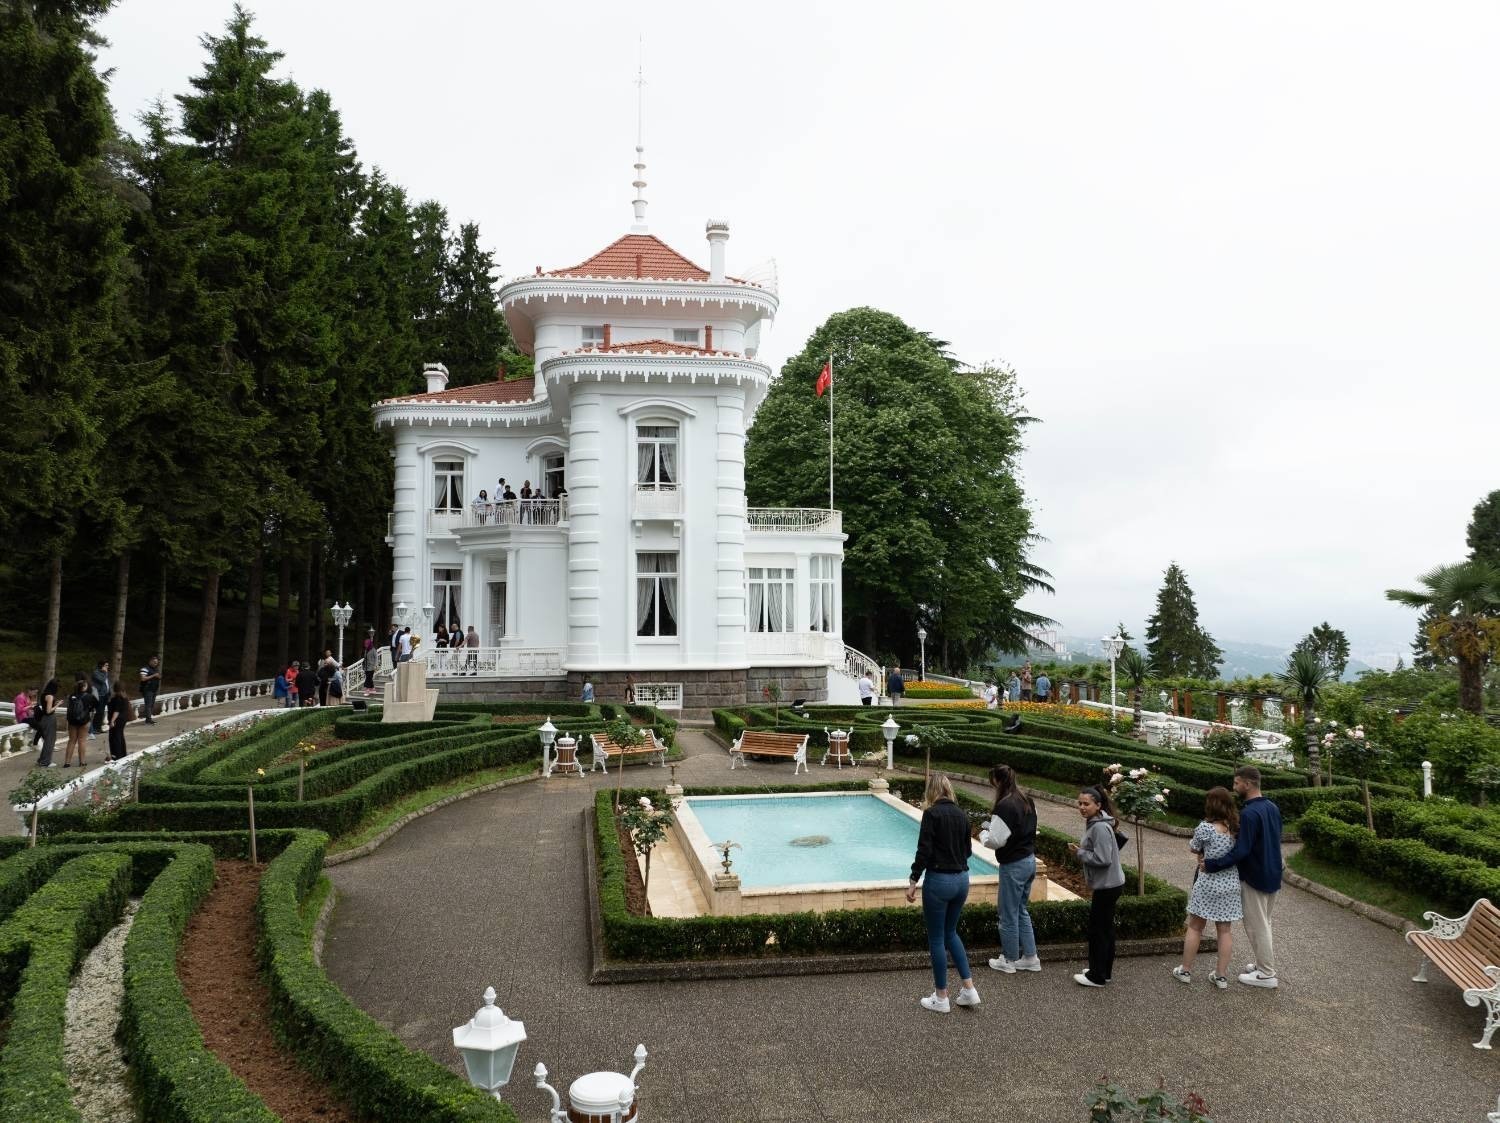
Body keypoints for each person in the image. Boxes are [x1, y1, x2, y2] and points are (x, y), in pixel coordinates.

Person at [1201, 765, 1284, 989]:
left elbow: (1242, 850)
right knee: (1264, 923)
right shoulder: (1271, 807)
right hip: (1273, 872)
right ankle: (1262, 966)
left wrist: (1212, 864)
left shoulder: (1249, 813)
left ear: (1247, 784)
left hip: (1255, 875)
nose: (1234, 787)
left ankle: (1267, 974)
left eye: (1237, 783)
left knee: (1257, 926)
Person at [906, 772, 980, 1013]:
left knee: (937, 939)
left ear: (932, 792)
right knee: (951, 933)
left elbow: (923, 850)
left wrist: (913, 879)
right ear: (949, 789)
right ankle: (969, 990)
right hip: (962, 880)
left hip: (939, 881)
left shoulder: (932, 814)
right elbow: (968, 851)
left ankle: (941, 998)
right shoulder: (961, 814)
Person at [1174, 787, 1242, 989]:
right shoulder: (1235, 828)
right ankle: (1221, 976)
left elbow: (1194, 847)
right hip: (1229, 883)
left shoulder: (1205, 827)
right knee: (1225, 930)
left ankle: (1185, 970)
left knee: (1196, 926)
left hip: (1208, 882)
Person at [982, 764, 1041, 974]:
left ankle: (1008, 960)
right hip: (1029, 859)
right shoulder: (1027, 800)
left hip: (1014, 864)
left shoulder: (1005, 806)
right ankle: (1031, 957)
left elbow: (996, 840)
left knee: (1007, 913)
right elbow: (1033, 828)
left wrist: (983, 834)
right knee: (1020, 910)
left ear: (997, 781)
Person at [1070, 784, 1126, 987]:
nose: (1082, 807)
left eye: (1086, 804)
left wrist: (1079, 853)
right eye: (1080, 803)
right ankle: (1103, 970)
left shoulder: (1100, 827)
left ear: (1098, 805)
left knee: (1098, 931)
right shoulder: (1099, 822)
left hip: (1107, 885)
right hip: (1111, 883)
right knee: (1106, 929)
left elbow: (1103, 859)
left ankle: (1097, 975)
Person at [64, 678, 94, 767]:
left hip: (72, 721)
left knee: (71, 740)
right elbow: (92, 708)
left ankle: (67, 762)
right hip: (84, 720)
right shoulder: (89, 696)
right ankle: (82, 762)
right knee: (82, 740)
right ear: (84, 687)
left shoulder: (71, 696)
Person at [35, 679, 59, 767]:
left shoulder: (43, 694)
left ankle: (41, 759)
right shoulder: (50, 696)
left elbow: (45, 706)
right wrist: (57, 705)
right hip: (49, 718)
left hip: (44, 718)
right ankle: (45, 762)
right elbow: (48, 711)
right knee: (50, 740)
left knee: (48, 739)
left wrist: (53, 704)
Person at [106, 681, 130, 761]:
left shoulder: (117, 698)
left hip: (117, 719)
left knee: (114, 737)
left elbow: (116, 711)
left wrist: (112, 721)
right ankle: (122, 753)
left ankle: (116, 754)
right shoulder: (124, 697)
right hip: (123, 719)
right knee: (120, 735)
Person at [89, 659, 111, 737]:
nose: (107, 667)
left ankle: (98, 727)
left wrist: (109, 692)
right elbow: (102, 681)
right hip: (99, 695)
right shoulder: (96, 673)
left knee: (102, 712)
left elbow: (107, 683)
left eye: (108, 665)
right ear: (101, 665)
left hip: (106, 694)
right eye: (106, 665)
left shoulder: (106, 673)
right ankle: (95, 728)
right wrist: (105, 673)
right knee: (99, 712)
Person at [139, 654, 161, 724]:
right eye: (154, 662)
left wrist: (158, 676)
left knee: (151, 704)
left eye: (156, 663)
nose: (156, 664)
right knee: (148, 704)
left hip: (154, 689)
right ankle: (148, 719)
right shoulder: (144, 669)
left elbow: (158, 677)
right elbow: (142, 678)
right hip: (147, 689)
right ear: (150, 661)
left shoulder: (155, 669)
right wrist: (154, 675)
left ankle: (149, 718)